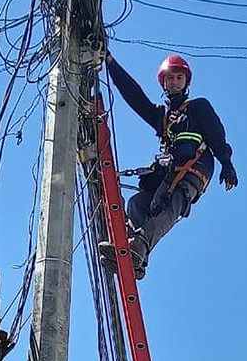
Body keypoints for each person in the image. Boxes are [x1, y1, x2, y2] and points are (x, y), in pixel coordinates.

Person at [99, 52, 238, 279]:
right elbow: (135, 97)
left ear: (186, 82)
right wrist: (110, 63)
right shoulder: (162, 116)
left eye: (178, 78)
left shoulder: (198, 107)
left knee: (169, 206)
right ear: (163, 83)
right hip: (170, 170)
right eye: (169, 78)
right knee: (138, 202)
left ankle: (139, 248)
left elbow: (216, 134)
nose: (174, 82)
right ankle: (134, 253)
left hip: (195, 168)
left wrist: (227, 163)